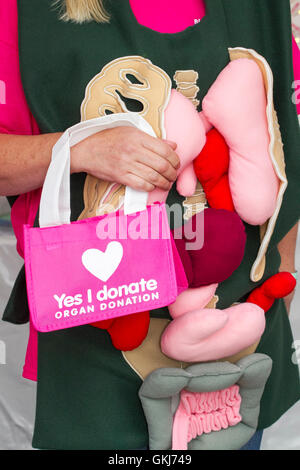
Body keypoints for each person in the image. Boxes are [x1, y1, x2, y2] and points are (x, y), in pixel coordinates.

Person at [0, 0, 299, 450]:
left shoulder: (258, 9)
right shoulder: (23, 12)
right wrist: (80, 148)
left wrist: (284, 276)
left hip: (234, 344)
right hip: (100, 338)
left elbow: (283, 156)